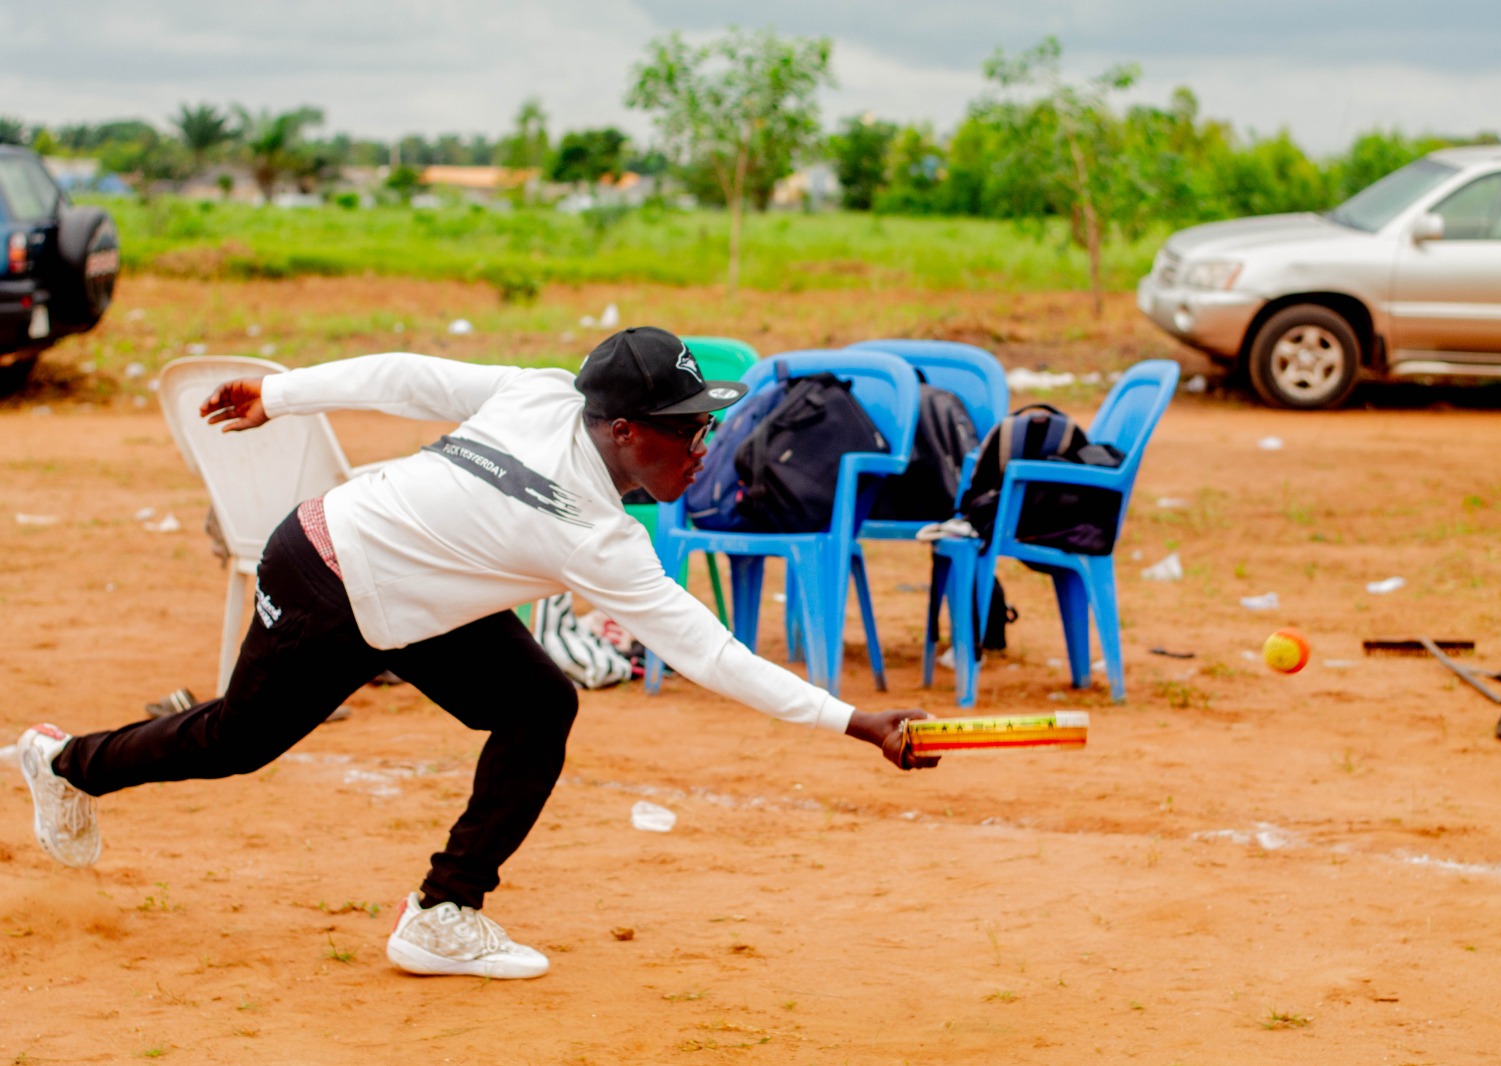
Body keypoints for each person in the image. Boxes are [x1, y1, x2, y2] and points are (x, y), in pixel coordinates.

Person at [15, 326, 938, 980]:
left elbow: (408, 377)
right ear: (624, 431)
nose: (706, 441)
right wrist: (854, 723)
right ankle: (62, 763)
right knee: (233, 743)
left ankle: (445, 912)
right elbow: (714, 654)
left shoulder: (545, 395)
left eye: (706, 420)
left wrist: (280, 392)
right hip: (327, 575)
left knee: (540, 704)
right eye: (687, 425)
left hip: (418, 598)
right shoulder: (592, 531)